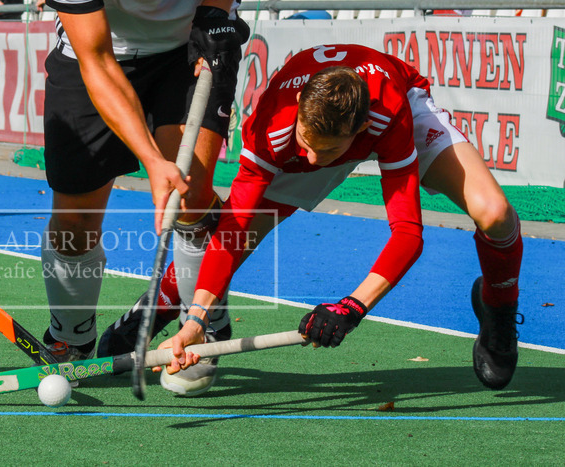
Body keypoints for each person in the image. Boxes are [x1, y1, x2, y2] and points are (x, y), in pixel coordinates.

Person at [151, 44, 524, 394]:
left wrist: (352, 307)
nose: (312, 160)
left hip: (395, 105)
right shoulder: (275, 122)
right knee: (242, 237)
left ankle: (499, 306)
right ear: (299, 103)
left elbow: (408, 233)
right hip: (320, 128)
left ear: (361, 130)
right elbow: (233, 229)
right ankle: (155, 312)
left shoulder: (387, 116)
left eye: (325, 151)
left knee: (495, 213)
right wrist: (196, 320)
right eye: (307, 143)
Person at [35, 0, 254, 387]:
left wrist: (216, 7)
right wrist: (153, 161)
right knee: (74, 217)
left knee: (193, 194)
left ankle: (200, 327)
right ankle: (71, 334)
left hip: (189, 48)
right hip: (101, 49)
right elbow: (97, 61)